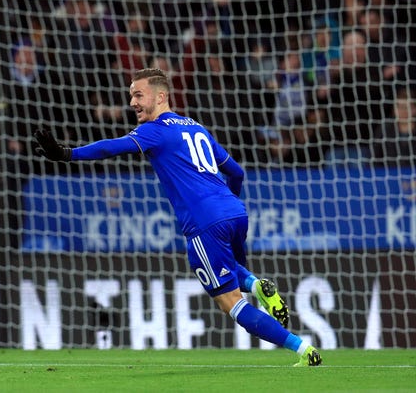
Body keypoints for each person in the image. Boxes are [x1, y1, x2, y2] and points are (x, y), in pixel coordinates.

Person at [33, 68, 322, 367]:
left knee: (229, 302)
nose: (132, 102)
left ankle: (303, 350)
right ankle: (257, 284)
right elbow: (236, 172)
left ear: (161, 96)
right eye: (131, 94)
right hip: (235, 212)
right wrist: (229, 202)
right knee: (230, 271)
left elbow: (111, 147)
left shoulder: (155, 130)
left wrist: (67, 154)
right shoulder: (196, 128)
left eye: (138, 94)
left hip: (204, 223)